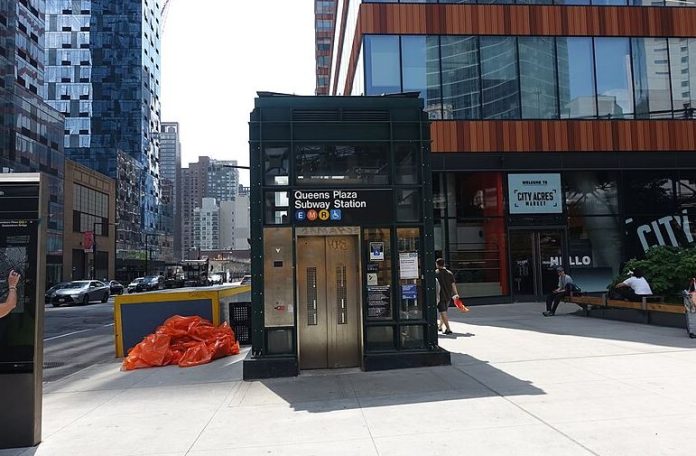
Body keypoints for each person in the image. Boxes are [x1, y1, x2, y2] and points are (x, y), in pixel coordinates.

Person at [435, 258, 459, 335]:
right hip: (448, 295)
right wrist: (456, 294)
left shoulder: (435, 273)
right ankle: (440, 327)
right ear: (444, 264)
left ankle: (448, 329)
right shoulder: (449, 273)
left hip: (440, 296)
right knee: (444, 311)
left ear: (437, 264)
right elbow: (453, 285)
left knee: (443, 312)